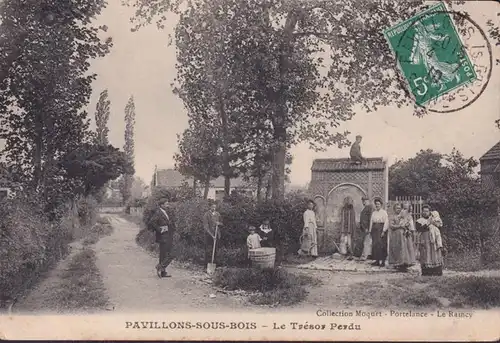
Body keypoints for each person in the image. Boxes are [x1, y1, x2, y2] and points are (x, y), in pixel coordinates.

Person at [150, 197, 176, 278]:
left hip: (168, 236)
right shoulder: (158, 212)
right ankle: (160, 267)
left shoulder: (165, 211)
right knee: (171, 254)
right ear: (162, 205)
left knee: (164, 255)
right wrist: (160, 229)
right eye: (166, 204)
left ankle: (163, 272)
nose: (168, 205)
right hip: (163, 236)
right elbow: (152, 222)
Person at [415, 205, 444, 276]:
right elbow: (419, 229)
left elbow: (439, 227)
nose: (425, 213)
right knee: (425, 254)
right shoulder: (419, 221)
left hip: (433, 240)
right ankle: (426, 272)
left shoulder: (434, 219)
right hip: (424, 239)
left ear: (429, 212)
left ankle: (436, 271)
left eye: (427, 211)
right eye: (424, 211)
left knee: (435, 254)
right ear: (421, 212)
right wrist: (428, 223)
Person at [388, 203, 416, 272]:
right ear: (394, 209)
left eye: (399, 208)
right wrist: (400, 226)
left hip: (404, 235)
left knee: (404, 249)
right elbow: (391, 226)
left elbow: (409, 225)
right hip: (396, 235)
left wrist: (407, 228)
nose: (398, 209)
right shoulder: (392, 216)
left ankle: (405, 264)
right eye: (397, 208)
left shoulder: (404, 216)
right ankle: (397, 263)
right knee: (397, 249)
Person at [369, 197, 389, 267]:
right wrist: (370, 230)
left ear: (381, 205)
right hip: (374, 230)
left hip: (381, 229)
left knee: (382, 245)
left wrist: (383, 231)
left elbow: (386, 222)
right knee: (375, 245)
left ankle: (383, 261)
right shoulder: (374, 213)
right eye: (376, 204)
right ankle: (377, 261)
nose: (377, 205)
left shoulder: (384, 212)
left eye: (378, 204)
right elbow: (371, 222)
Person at [359, 196, 373, 261]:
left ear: (367, 201)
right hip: (364, 227)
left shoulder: (369, 208)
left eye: (364, 201)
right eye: (363, 201)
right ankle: (368, 255)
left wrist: (368, 228)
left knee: (366, 242)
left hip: (367, 228)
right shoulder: (366, 208)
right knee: (367, 241)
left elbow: (370, 219)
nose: (363, 202)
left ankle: (364, 256)